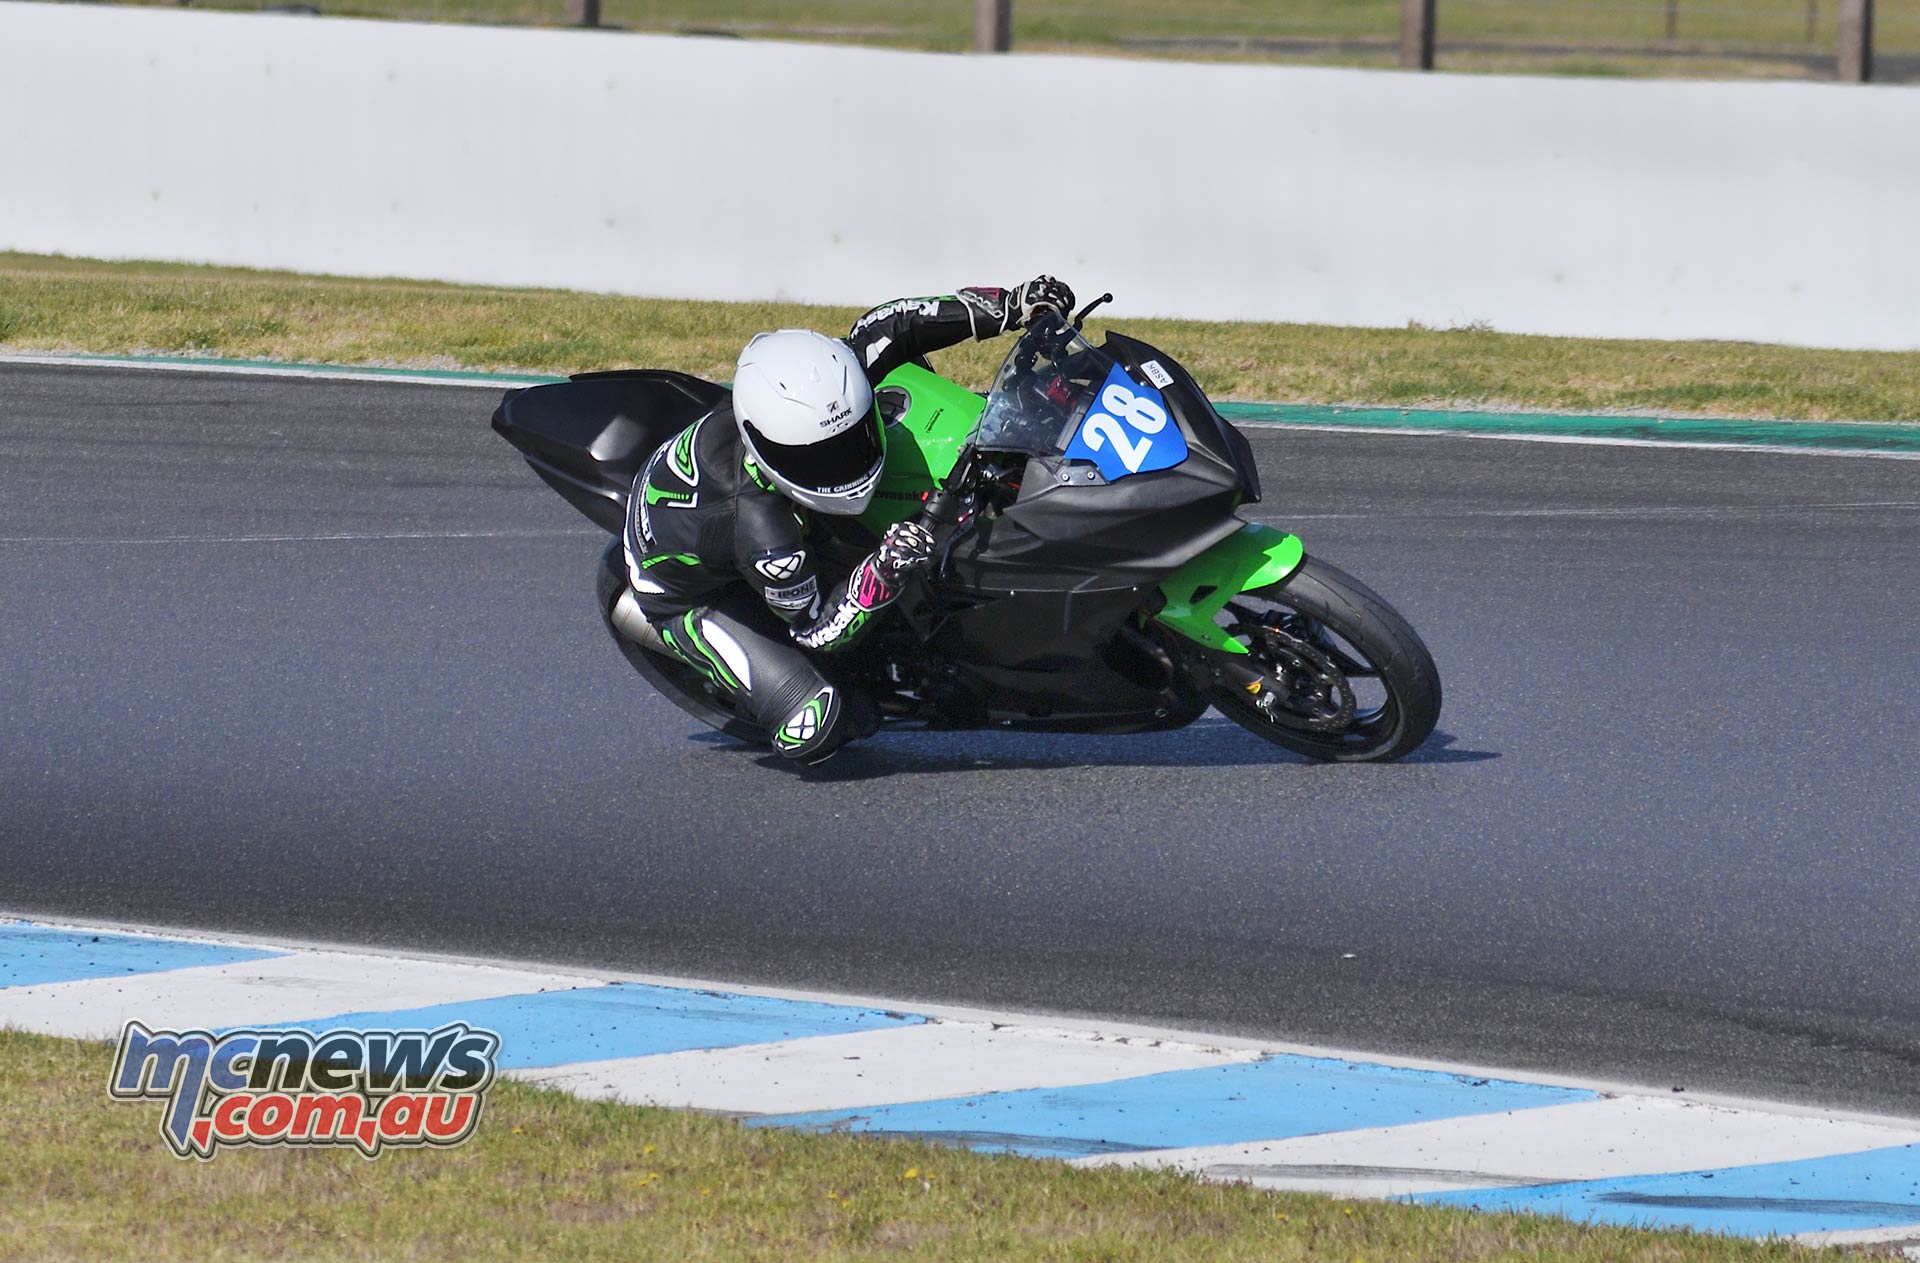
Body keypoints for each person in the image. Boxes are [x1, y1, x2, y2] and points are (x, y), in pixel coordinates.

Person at [606, 276, 1075, 766]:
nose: (843, 468)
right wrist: (884, 570)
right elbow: (817, 629)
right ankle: (671, 629)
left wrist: (1011, 305)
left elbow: (897, 323)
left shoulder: (831, 384)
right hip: (687, 596)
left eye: (851, 440)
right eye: (821, 460)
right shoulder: (764, 531)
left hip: (728, 500)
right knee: (816, 723)